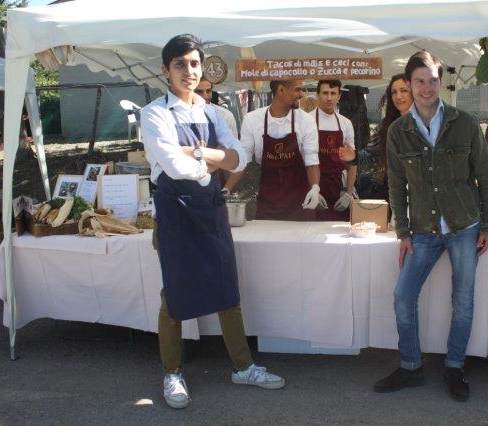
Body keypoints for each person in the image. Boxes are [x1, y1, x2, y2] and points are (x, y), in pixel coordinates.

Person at [141, 34, 285, 410]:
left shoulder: (215, 114)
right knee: (174, 294)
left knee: (226, 290)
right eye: (180, 64)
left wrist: (197, 152)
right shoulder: (154, 114)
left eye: (194, 64)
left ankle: (243, 366)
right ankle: (172, 371)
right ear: (165, 70)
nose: (189, 71)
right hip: (175, 213)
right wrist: (213, 160)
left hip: (210, 210)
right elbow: (174, 166)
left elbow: (239, 159)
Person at [372, 51, 488, 401]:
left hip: (464, 226)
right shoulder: (399, 131)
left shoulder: (464, 122)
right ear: (409, 84)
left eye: (432, 80)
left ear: (440, 82)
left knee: (463, 300)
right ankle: (411, 366)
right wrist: (403, 231)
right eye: (419, 81)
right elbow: (396, 184)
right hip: (423, 229)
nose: (427, 88)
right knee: (403, 296)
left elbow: (486, 176)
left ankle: (455, 367)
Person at [229, 79, 322, 220]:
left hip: (300, 200)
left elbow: (312, 161)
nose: (301, 94)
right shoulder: (252, 120)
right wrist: (226, 189)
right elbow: (243, 161)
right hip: (268, 198)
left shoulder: (306, 121)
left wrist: (315, 187)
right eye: (297, 89)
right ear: (281, 90)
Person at [355, 73, 413, 201]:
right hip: (392, 189)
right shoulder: (387, 125)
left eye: (404, 90)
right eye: (394, 92)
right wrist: (354, 156)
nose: (398, 96)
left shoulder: (428, 123)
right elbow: (371, 154)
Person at [310, 79, 357, 221]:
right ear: (318, 94)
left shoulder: (346, 123)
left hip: (339, 186)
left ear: (339, 96)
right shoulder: (307, 121)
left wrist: (348, 193)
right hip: (314, 183)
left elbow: (352, 162)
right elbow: (301, 162)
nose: (329, 98)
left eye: (333, 93)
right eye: (325, 93)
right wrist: (312, 190)